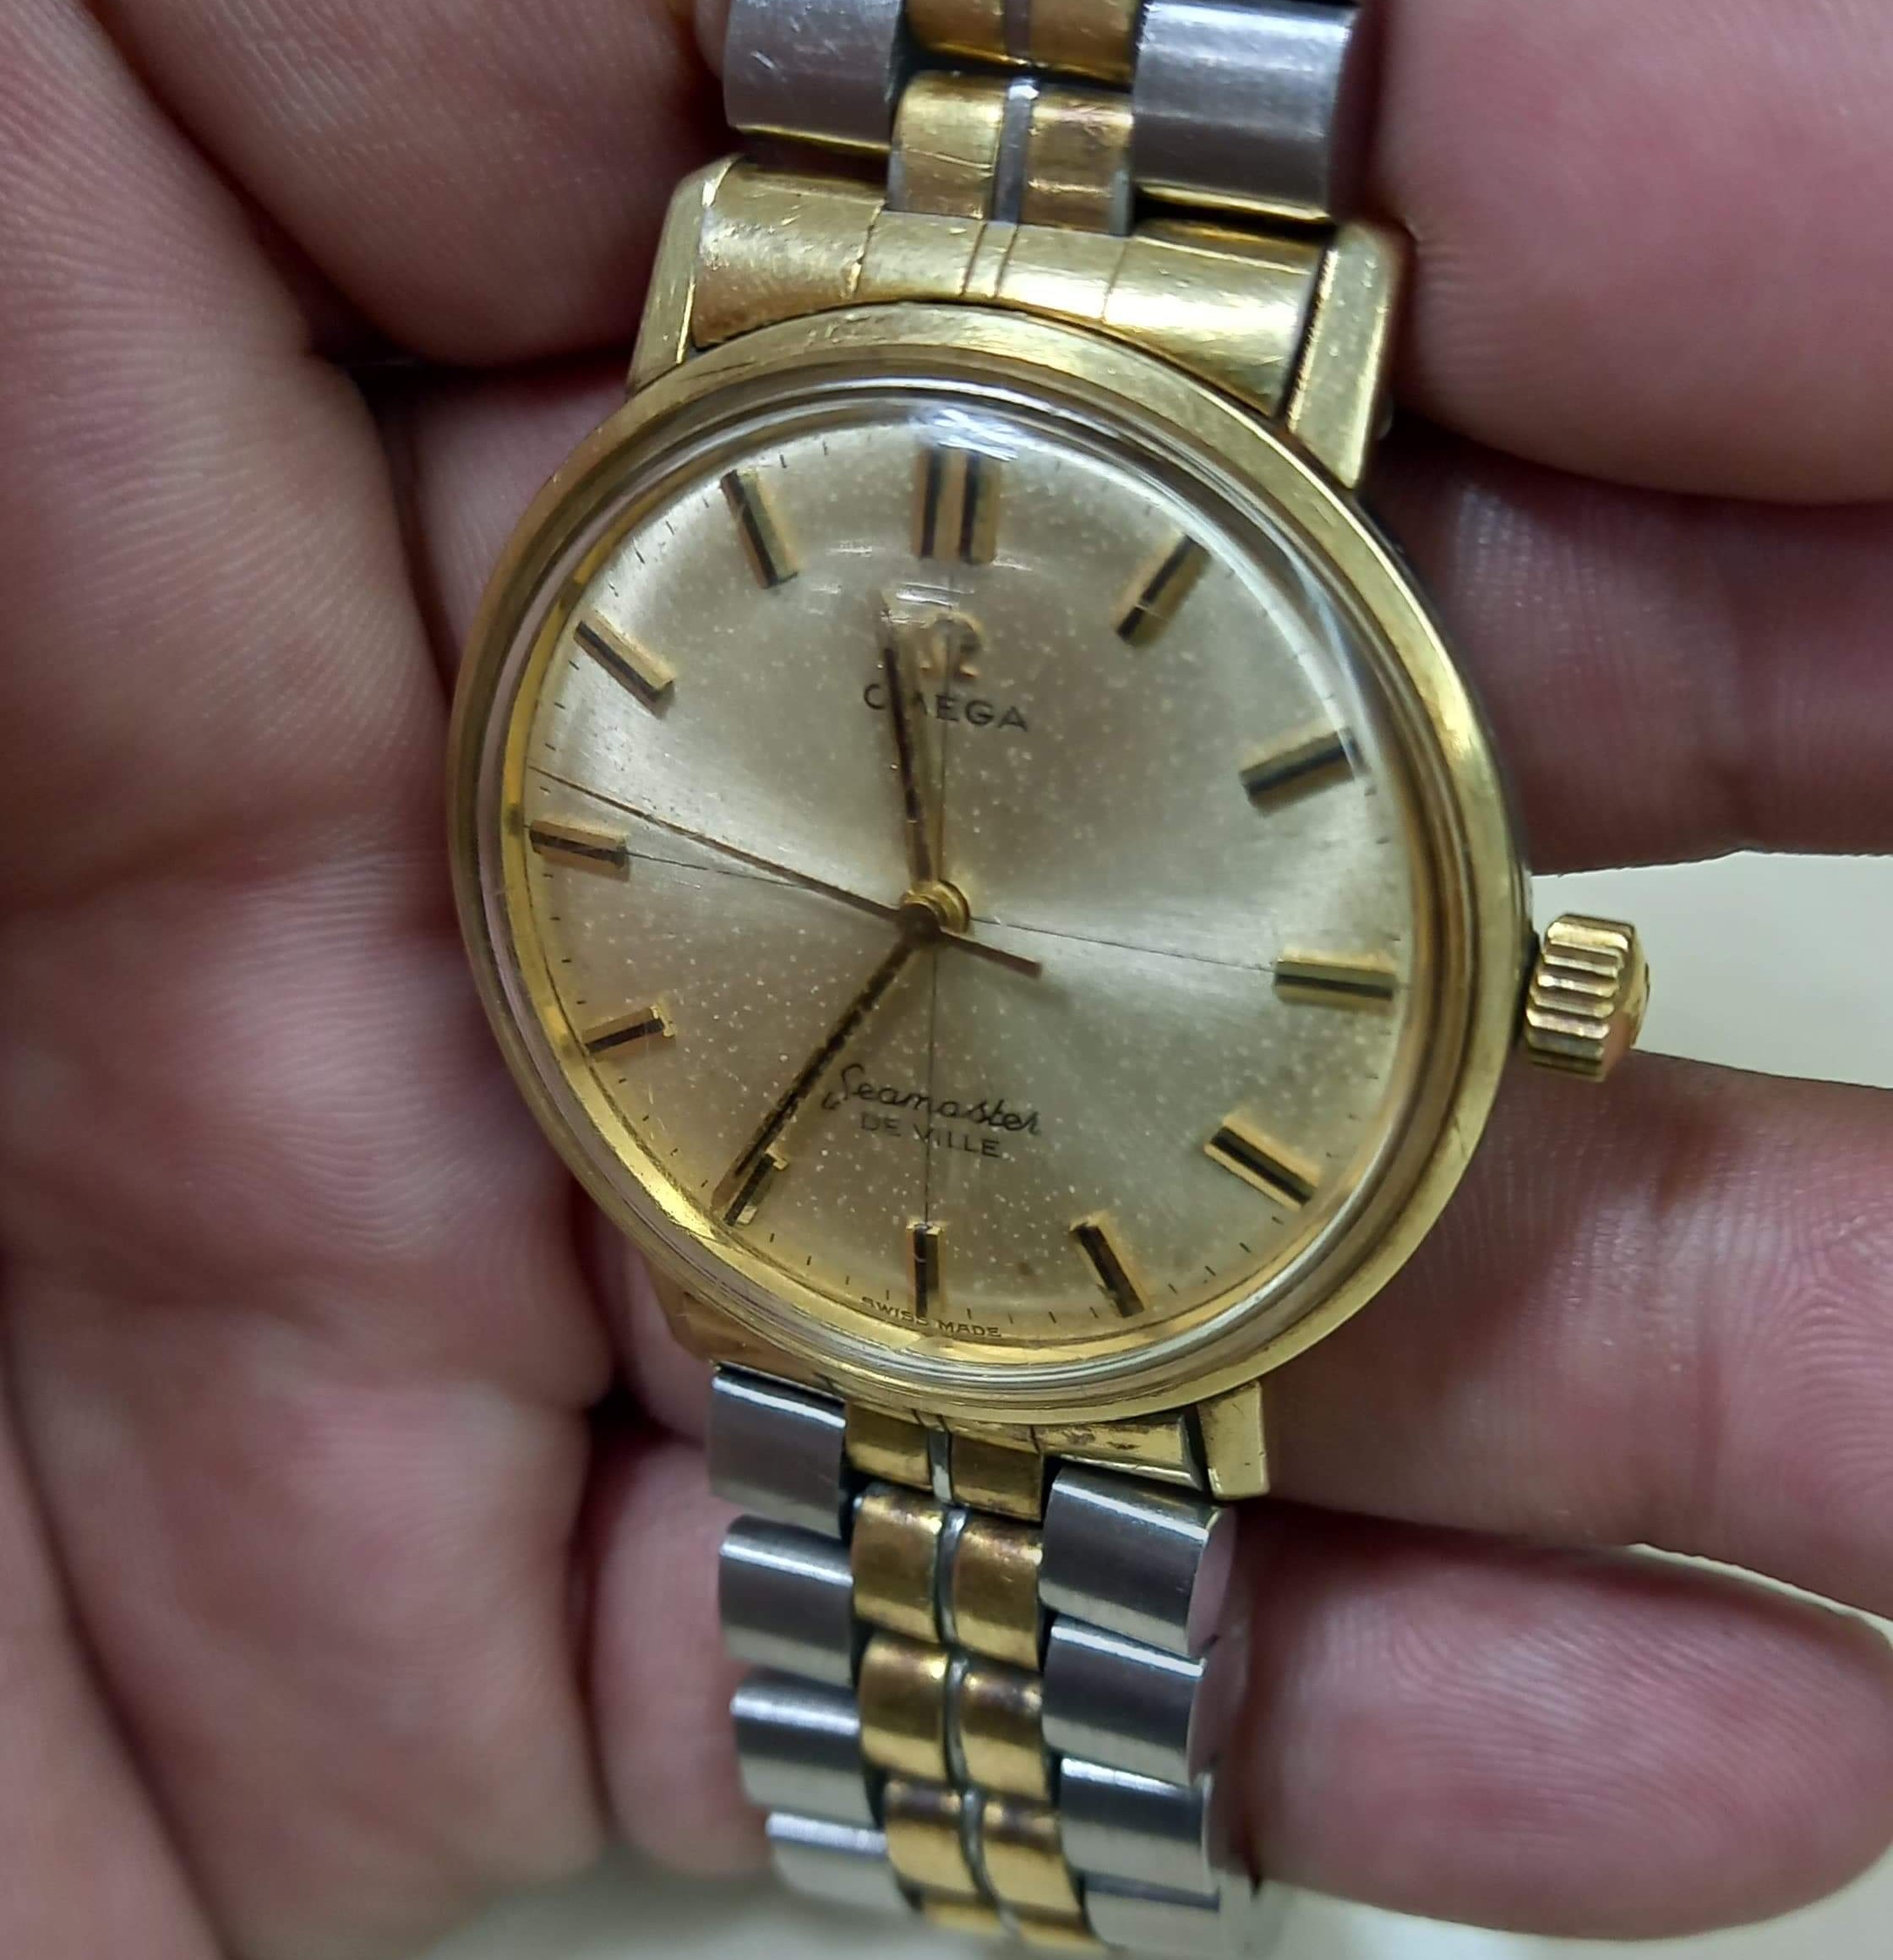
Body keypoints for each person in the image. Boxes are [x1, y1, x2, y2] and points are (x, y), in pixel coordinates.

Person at [3, 2, 1891, 1954]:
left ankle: (995, 1856)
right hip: (801, 1238)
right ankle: (958, 1849)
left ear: (1539, 983)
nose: (931, 904)